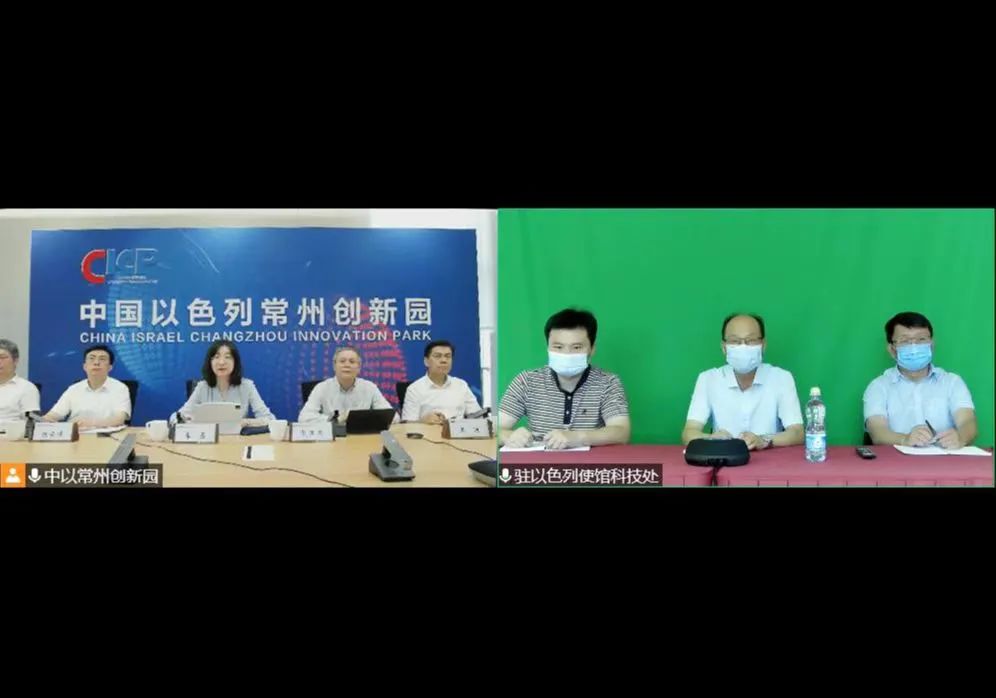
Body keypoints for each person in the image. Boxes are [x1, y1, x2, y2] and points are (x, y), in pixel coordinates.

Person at [498, 308, 630, 449]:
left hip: (591, 461)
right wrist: (508, 436)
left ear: (592, 349)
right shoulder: (526, 381)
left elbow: (621, 432)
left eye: (576, 347)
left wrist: (578, 437)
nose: (567, 354)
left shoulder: (608, 382)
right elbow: (493, 429)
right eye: (558, 347)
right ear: (548, 347)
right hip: (539, 461)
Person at [681, 313, 804, 451]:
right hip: (724, 458)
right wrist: (711, 439)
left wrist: (763, 440)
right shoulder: (708, 379)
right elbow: (689, 432)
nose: (743, 346)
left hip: (770, 460)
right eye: (734, 341)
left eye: (751, 340)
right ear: (724, 347)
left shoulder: (781, 378)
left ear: (763, 345)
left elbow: (797, 432)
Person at [863, 311, 977, 449]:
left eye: (921, 339)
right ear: (892, 350)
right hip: (896, 460)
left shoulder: (952, 382)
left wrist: (960, 437)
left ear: (931, 345)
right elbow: (878, 432)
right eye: (905, 341)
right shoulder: (878, 386)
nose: (914, 347)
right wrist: (905, 439)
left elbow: (967, 422)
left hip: (945, 458)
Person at [177, 340, 275, 426]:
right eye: (216, 357)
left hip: (238, 439)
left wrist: (246, 422)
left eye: (227, 357)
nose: (221, 362)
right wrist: (191, 422)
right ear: (210, 362)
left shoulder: (247, 386)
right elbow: (179, 416)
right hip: (209, 439)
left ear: (235, 362)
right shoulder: (202, 387)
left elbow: (269, 418)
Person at [42, 344, 131, 428]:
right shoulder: (74, 389)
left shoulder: (120, 388)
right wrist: (44, 420)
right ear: (84, 366)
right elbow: (55, 414)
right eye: (91, 358)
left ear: (110, 367)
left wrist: (90, 424)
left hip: (107, 435)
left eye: (102, 359)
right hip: (77, 435)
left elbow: (119, 419)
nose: (96, 362)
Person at [298, 346, 395, 422]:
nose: (347, 365)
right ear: (334, 366)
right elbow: (304, 418)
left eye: (352, 362)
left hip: (361, 436)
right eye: (342, 361)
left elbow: (393, 417)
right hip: (332, 437)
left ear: (359, 367)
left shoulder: (369, 387)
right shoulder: (321, 388)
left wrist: (363, 419)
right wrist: (336, 419)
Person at [401, 340, 482, 424]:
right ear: (426, 361)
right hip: (427, 432)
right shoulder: (414, 389)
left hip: (457, 431)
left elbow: (477, 416)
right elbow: (407, 424)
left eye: (448, 356)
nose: (444, 360)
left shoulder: (461, 385)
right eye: (437, 356)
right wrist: (422, 422)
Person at [0, 339, 41, 421]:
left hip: (10, 428)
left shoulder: (27, 388)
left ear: (15, 361)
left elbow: (31, 421)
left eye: (2, 357)